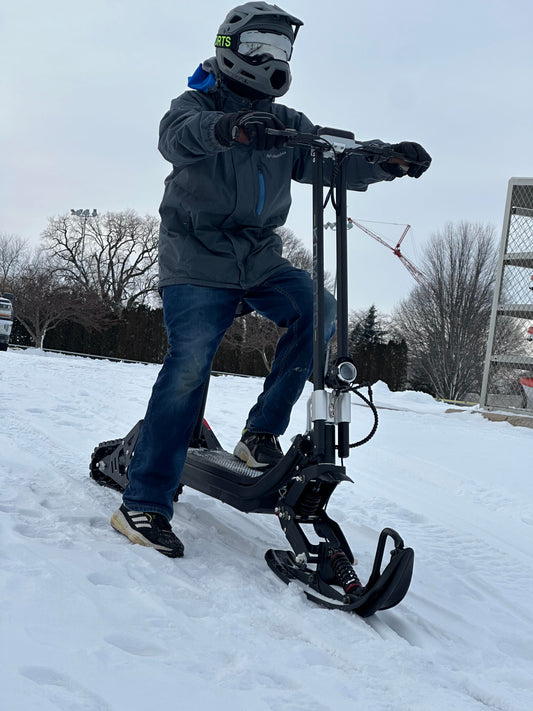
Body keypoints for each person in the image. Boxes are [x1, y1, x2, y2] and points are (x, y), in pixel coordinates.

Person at [110, 2, 431, 557]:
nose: (274, 59)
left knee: (320, 309)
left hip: (259, 259)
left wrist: (384, 160)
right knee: (188, 369)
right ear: (231, 46)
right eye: (263, 46)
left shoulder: (288, 124)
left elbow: (332, 160)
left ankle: (260, 434)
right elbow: (176, 138)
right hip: (196, 257)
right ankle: (143, 501)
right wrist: (230, 129)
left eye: (283, 50)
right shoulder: (194, 104)